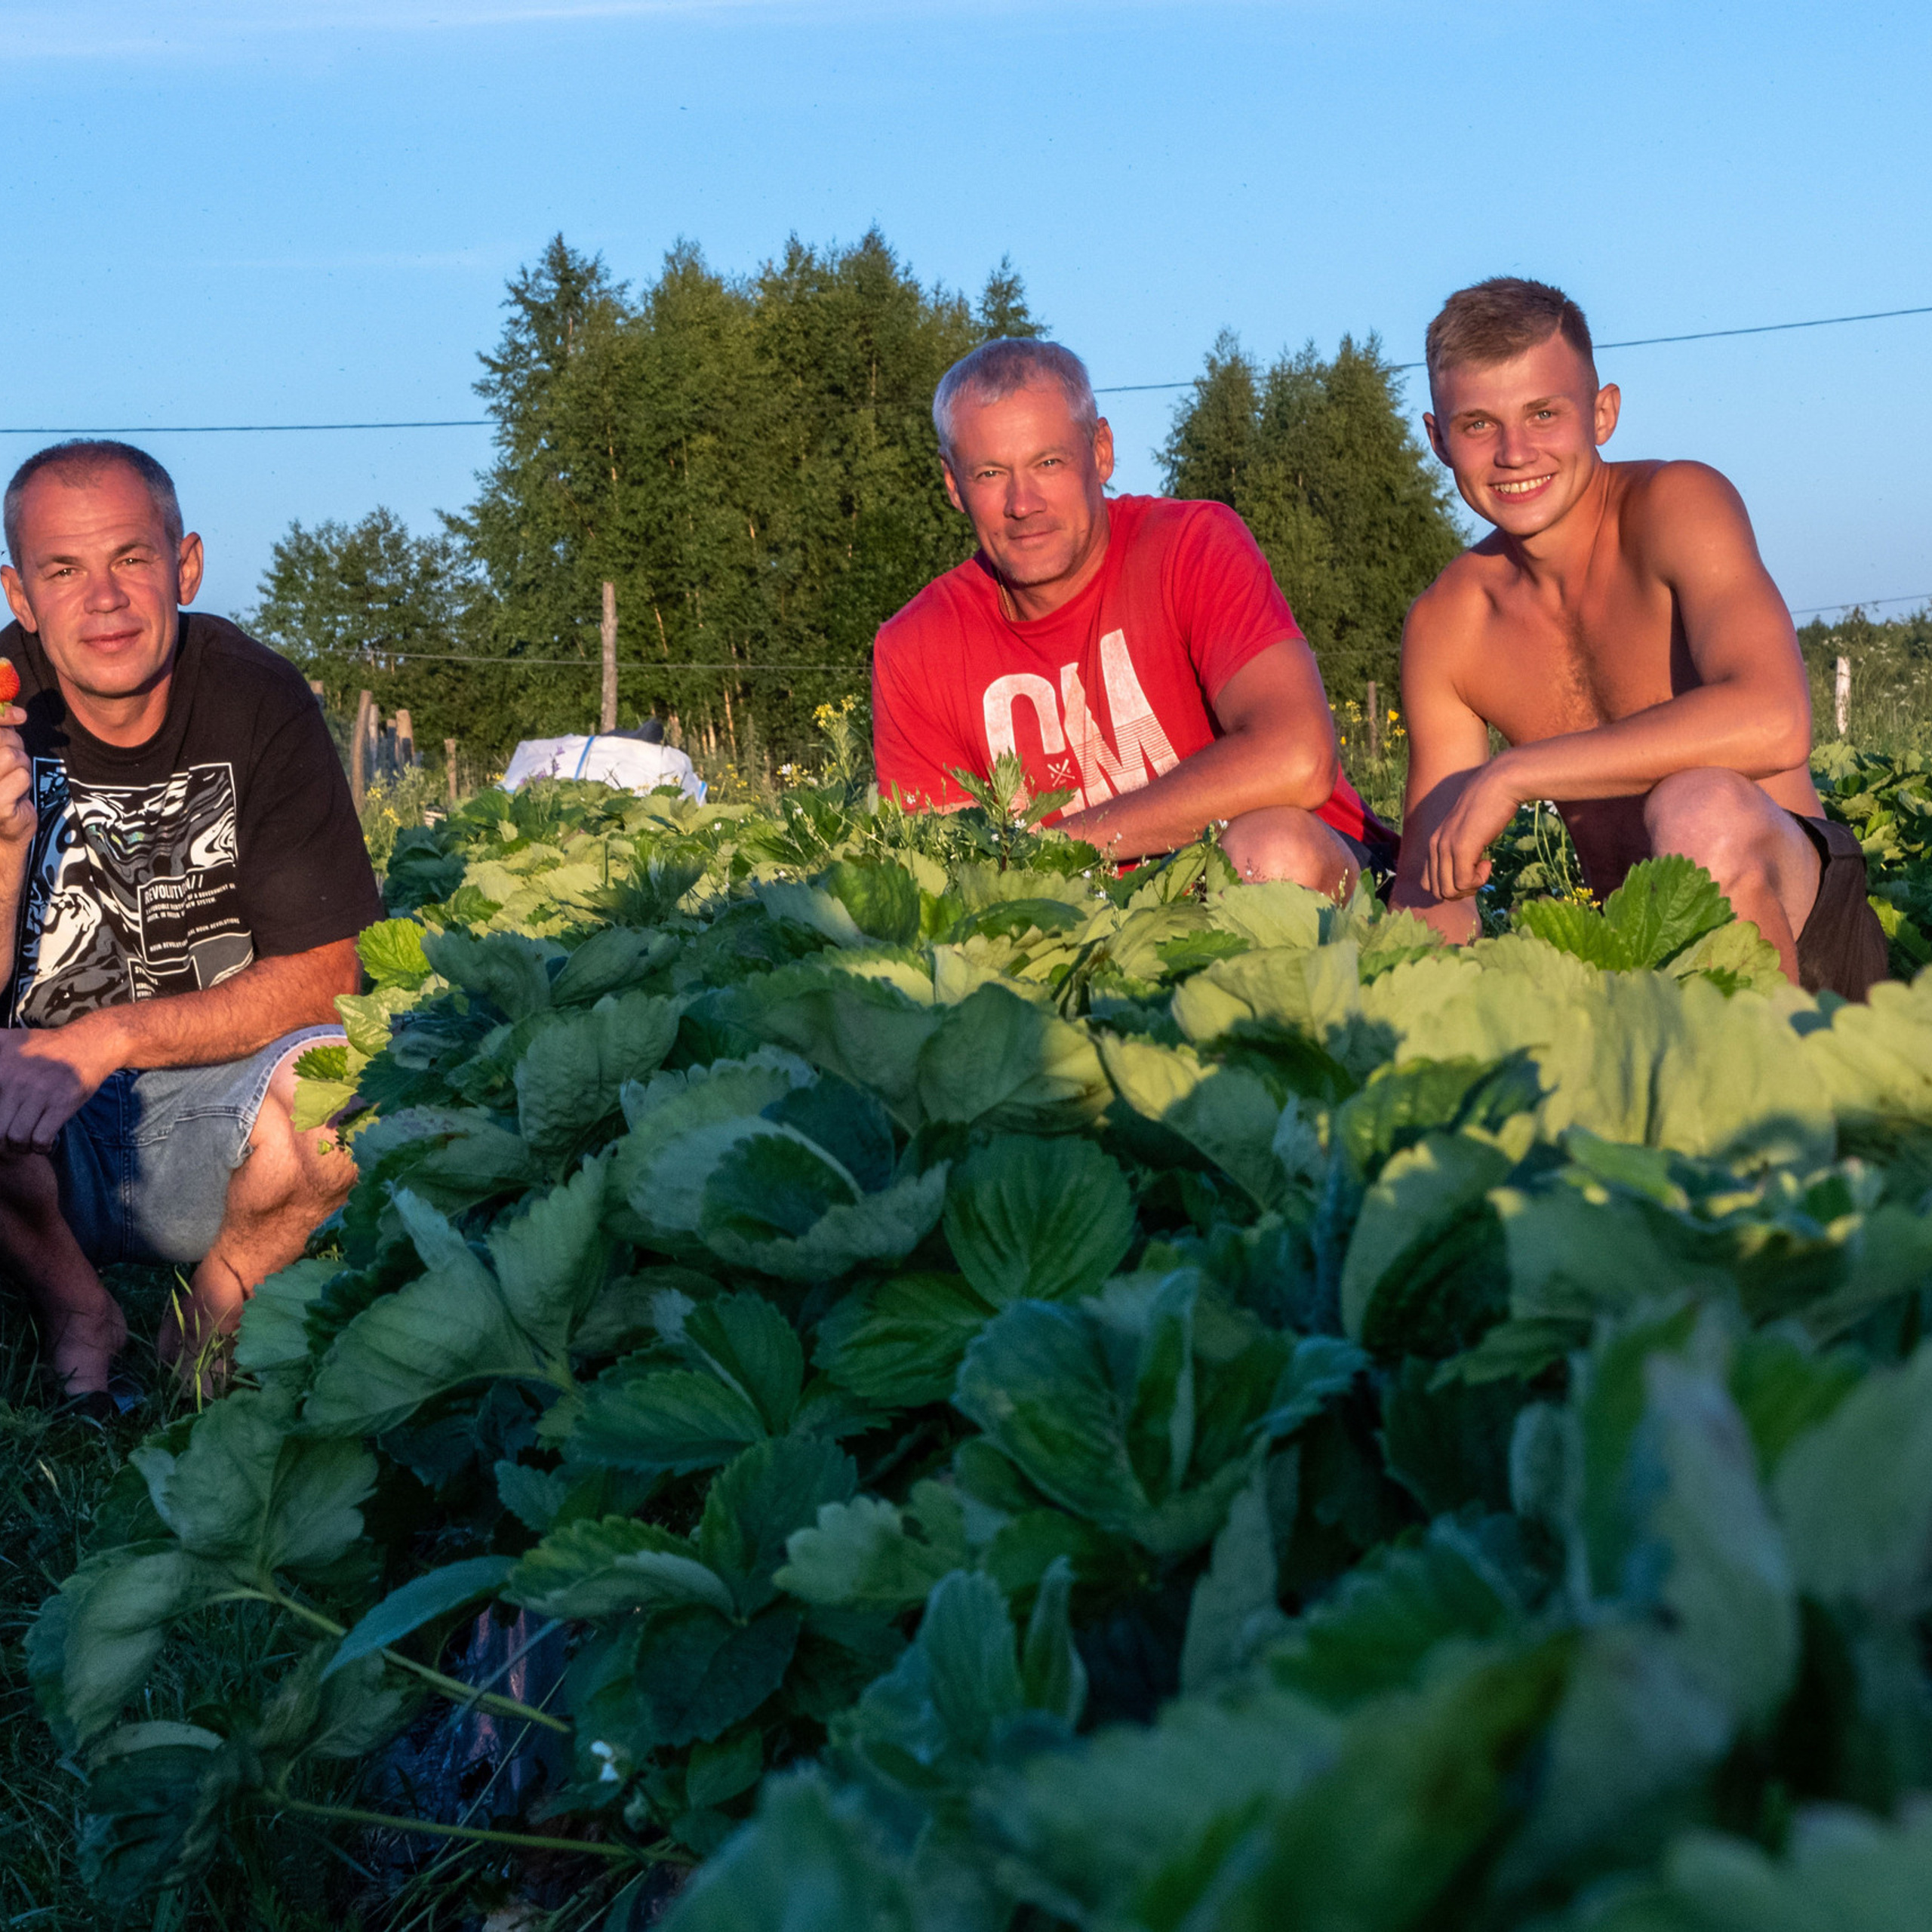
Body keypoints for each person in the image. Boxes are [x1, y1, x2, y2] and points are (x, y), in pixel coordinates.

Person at [0, 440, 385, 1405]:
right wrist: (6, 852)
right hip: (23, 1137)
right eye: (62, 569)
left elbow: (333, 972)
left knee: (348, 1099)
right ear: (19, 594)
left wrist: (112, 1032)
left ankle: (212, 1311)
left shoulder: (259, 699)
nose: (104, 597)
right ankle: (76, 1309)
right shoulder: (4, 711)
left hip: (214, 1118)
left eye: (131, 557)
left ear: (187, 564)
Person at [1392, 277, 1887, 998]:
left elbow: (1775, 721)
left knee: (1698, 810)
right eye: (1477, 425)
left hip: (1803, 925)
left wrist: (1515, 773)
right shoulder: (1447, 622)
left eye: (1543, 413)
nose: (1515, 452)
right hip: (1629, 960)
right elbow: (1428, 886)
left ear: (1603, 412)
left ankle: (1782, 1095)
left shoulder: (1677, 505)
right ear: (1438, 439)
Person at [872, 338, 1392, 893]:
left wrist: (1052, 853)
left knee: (1270, 850)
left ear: (1100, 451)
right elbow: (934, 870)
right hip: (1081, 928)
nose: (1023, 504)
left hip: (1291, 888)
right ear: (953, 484)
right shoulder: (914, 648)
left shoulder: (1192, 547)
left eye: (1049, 463)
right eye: (990, 474)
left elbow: (1298, 759)